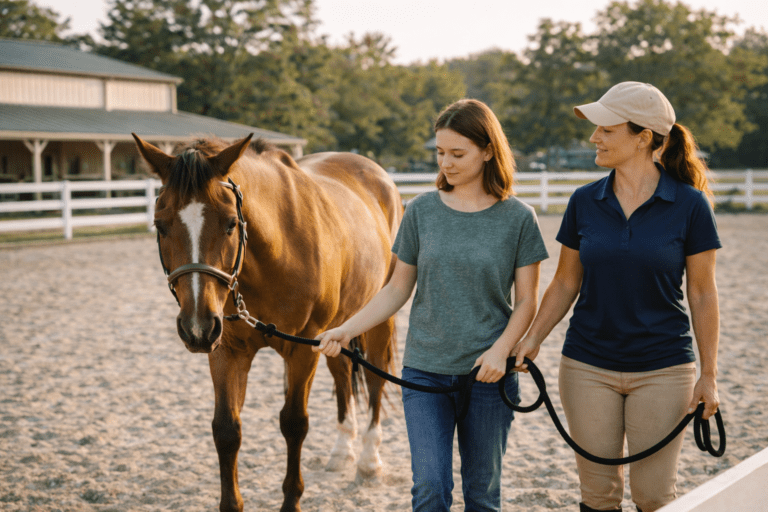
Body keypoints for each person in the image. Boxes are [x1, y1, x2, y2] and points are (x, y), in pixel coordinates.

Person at [313, 98, 549, 511]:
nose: (447, 163)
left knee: (482, 495)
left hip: (489, 377)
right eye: (440, 153)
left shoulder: (519, 218)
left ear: (488, 150)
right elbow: (395, 289)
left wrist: (500, 350)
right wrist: (346, 330)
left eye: (458, 154)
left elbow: (528, 301)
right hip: (425, 375)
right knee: (430, 488)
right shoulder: (422, 211)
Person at [512, 82, 721, 512]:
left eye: (606, 128)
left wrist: (709, 374)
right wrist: (533, 339)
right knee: (599, 495)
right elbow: (566, 282)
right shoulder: (584, 201)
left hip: (664, 368)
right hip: (587, 365)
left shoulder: (690, 206)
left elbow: (702, 294)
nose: (594, 137)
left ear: (643, 136)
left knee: (654, 496)